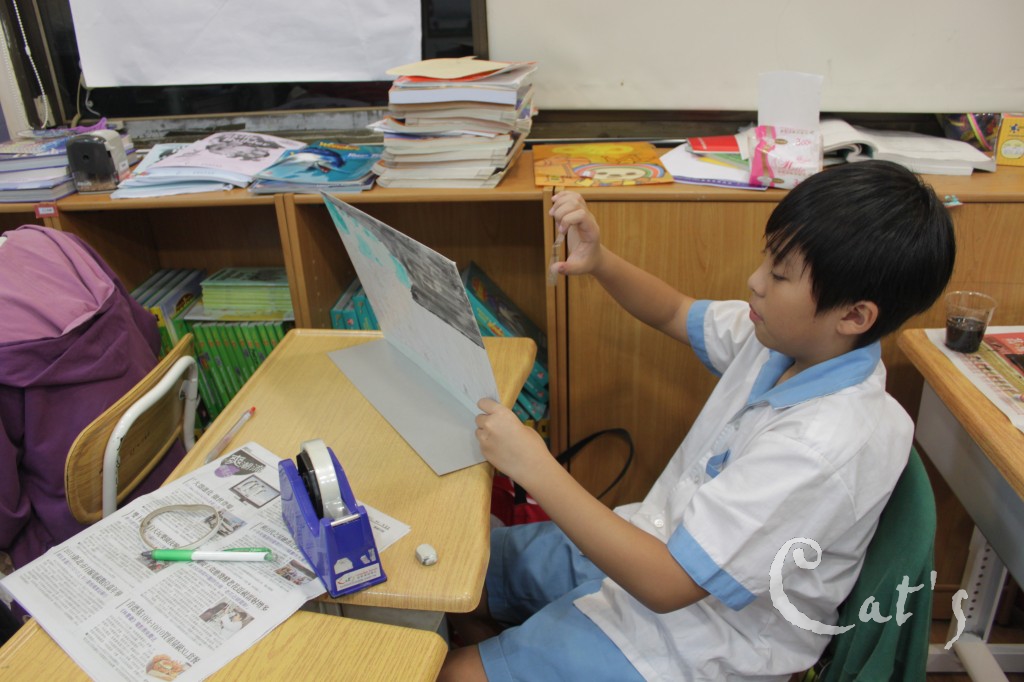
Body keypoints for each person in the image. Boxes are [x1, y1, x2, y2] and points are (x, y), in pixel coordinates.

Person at [440, 160, 956, 681]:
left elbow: (668, 586)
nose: (755, 281)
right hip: (650, 551)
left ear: (854, 315)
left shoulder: (822, 444)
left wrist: (534, 467)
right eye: (767, 259)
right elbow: (674, 311)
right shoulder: (787, 340)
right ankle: (506, 650)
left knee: (448, 671)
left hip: (697, 643)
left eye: (779, 275)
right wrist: (599, 260)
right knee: (457, 568)